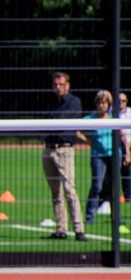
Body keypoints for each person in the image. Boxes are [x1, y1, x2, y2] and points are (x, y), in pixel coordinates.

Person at [42, 72, 86, 241]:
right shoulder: (50, 101)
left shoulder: (74, 102)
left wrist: (53, 123)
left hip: (65, 150)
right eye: (55, 84)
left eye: (61, 84)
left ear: (68, 85)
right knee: (55, 192)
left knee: (69, 189)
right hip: (48, 149)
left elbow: (62, 121)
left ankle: (79, 228)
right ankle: (61, 228)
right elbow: (45, 122)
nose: (58, 87)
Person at [78, 91, 118, 224]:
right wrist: (89, 141)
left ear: (109, 104)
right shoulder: (90, 118)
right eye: (99, 103)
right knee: (97, 185)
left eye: (104, 103)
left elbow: (123, 134)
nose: (101, 106)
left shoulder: (114, 117)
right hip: (97, 155)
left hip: (113, 154)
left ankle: (116, 216)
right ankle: (90, 216)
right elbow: (77, 130)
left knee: (114, 185)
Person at [119, 92, 131, 203]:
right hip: (120, 147)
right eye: (119, 101)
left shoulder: (130, 113)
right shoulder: (112, 114)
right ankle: (128, 196)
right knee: (125, 172)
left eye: (123, 101)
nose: (121, 103)